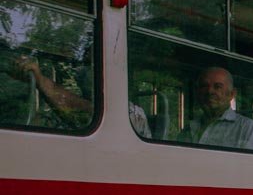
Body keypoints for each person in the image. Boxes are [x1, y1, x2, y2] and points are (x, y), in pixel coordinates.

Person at [12, 54, 150, 137]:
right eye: (85, 64)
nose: (85, 71)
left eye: (92, 65)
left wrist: (39, 79)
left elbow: (74, 106)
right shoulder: (77, 100)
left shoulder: (131, 112)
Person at [181, 66, 253, 150]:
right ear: (197, 92)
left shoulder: (246, 128)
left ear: (232, 94)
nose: (210, 91)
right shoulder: (189, 128)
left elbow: (252, 163)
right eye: (204, 86)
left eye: (217, 87)